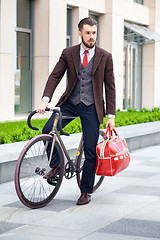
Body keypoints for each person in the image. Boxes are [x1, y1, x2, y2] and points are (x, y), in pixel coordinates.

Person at [37, 17, 116, 205]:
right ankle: (56, 164)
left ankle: (86, 191)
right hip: (70, 103)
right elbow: (55, 76)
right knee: (47, 130)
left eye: (94, 33)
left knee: (90, 150)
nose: (91, 37)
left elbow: (110, 87)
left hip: (92, 107)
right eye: (88, 33)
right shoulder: (68, 53)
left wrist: (111, 116)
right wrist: (45, 100)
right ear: (80, 33)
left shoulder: (105, 56)